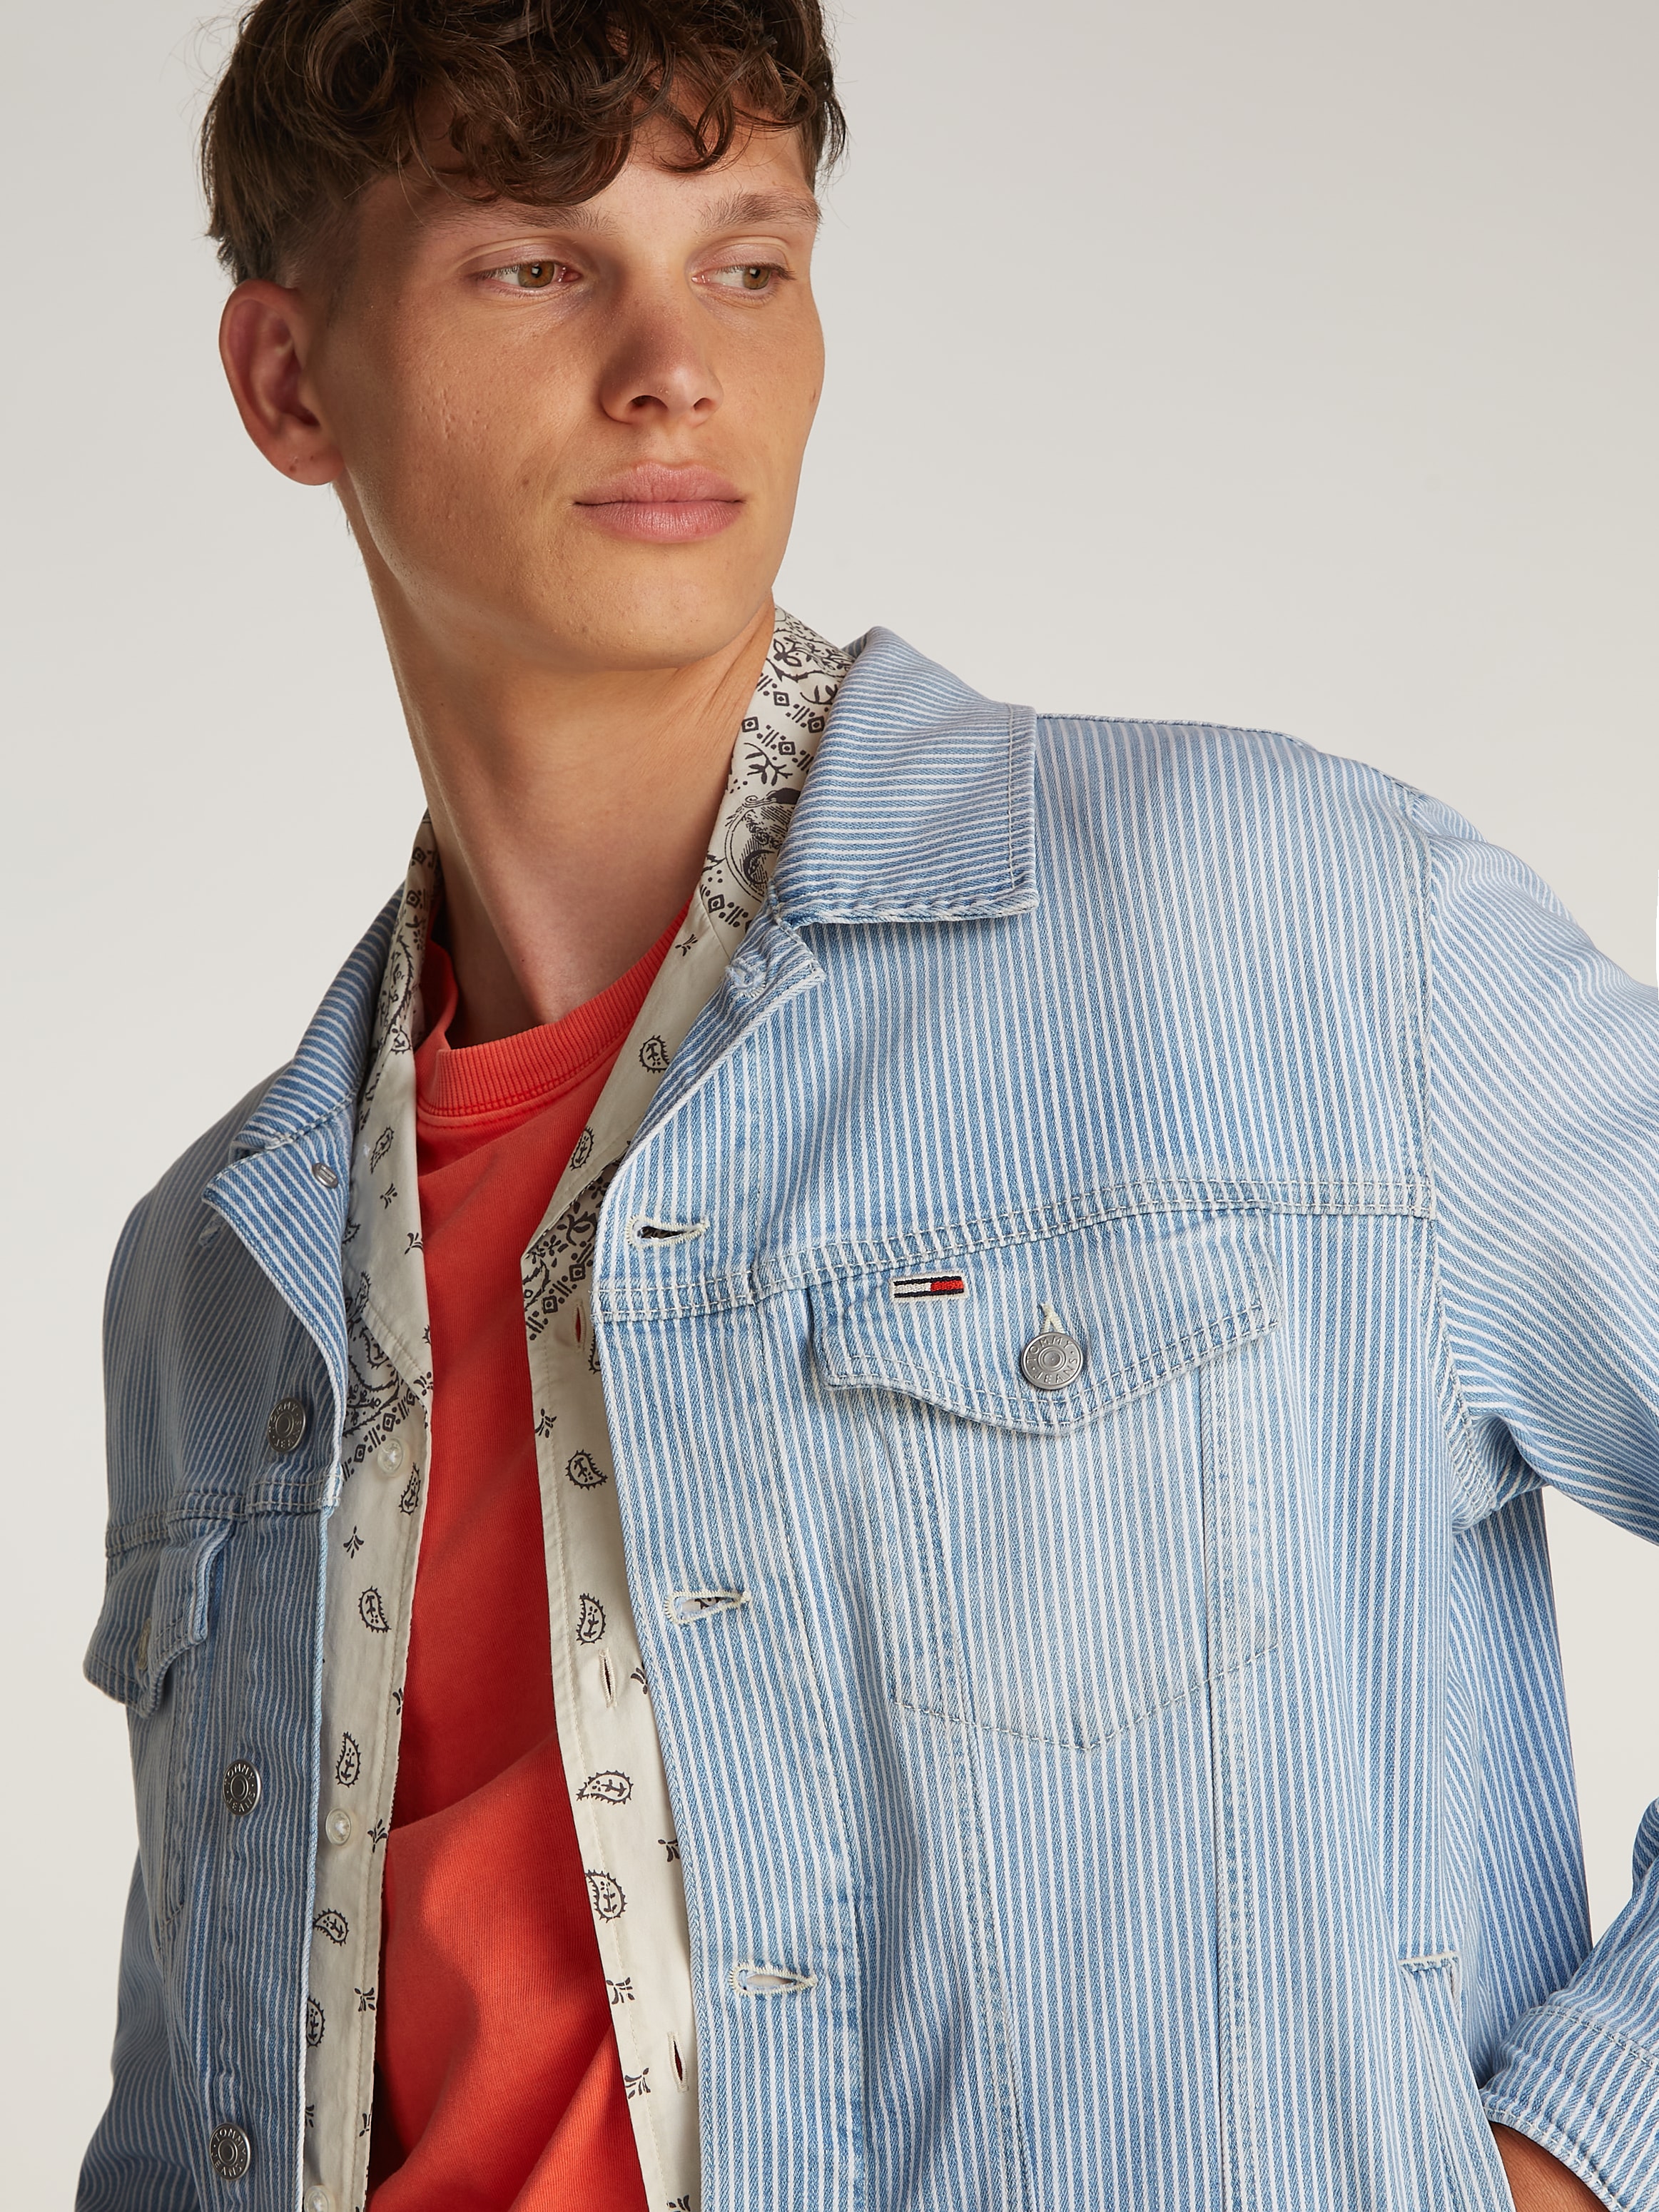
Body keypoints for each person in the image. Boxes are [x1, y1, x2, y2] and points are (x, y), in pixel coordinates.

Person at [78, 4, 1658, 2208]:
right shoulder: (217, 1276)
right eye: (539, 265)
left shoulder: (1284, 921)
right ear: (290, 380)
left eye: (746, 261)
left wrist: (1570, 2151)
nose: (674, 366)